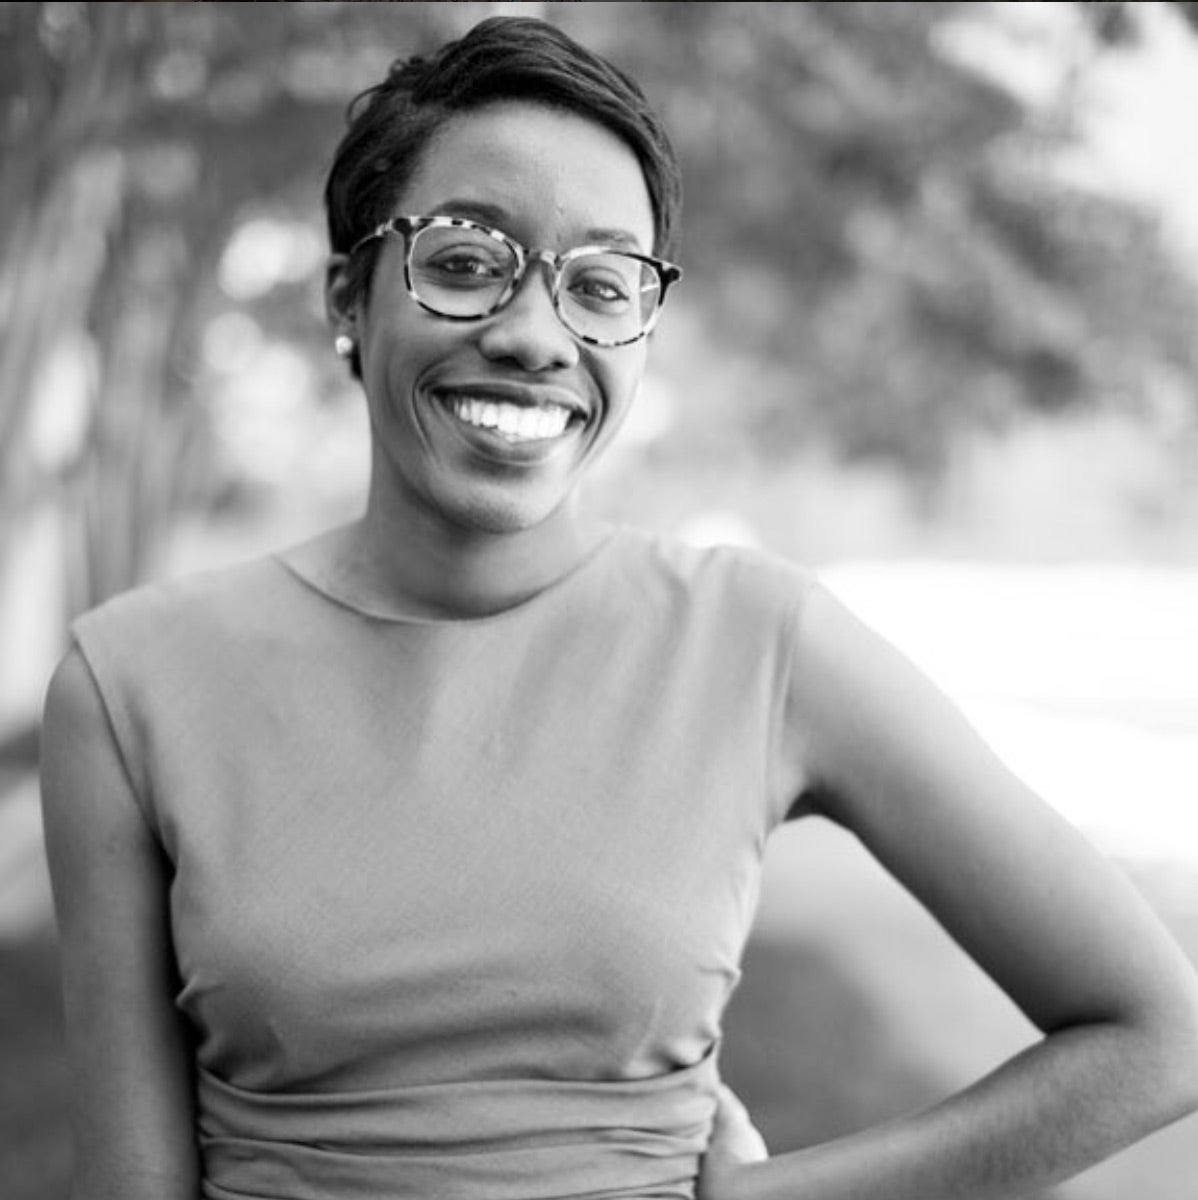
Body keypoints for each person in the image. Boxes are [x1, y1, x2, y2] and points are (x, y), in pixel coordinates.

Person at [39, 15, 1198, 1200]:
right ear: (348, 296)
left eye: (600, 285)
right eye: (464, 261)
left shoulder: (759, 643)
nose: (535, 337)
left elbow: (1157, 1033)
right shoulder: (134, 688)